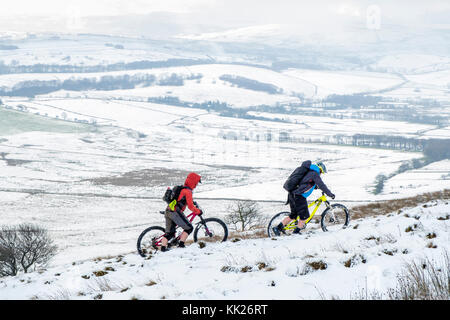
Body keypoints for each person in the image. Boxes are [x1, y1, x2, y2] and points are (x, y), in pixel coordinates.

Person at [273, 161, 335, 236]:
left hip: (292, 193)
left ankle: (278, 228)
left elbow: (305, 182)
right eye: (322, 172)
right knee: (304, 216)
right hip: (299, 196)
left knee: (293, 215)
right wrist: (330, 194)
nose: (321, 174)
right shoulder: (315, 173)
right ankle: (296, 232)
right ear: (320, 169)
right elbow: (322, 185)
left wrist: (315, 187)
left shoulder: (309, 170)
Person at [160, 172, 202, 251]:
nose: (196, 185)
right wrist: (198, 211)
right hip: (175, 213)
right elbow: (190, 207)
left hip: (168, 211)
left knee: (169, 234)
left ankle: (163, 248)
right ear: (193, 182)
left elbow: (180, 199)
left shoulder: (181, 188)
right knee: (189, 228)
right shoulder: (188, 192)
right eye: (196, 183)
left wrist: (193, 203)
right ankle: (181, 245)